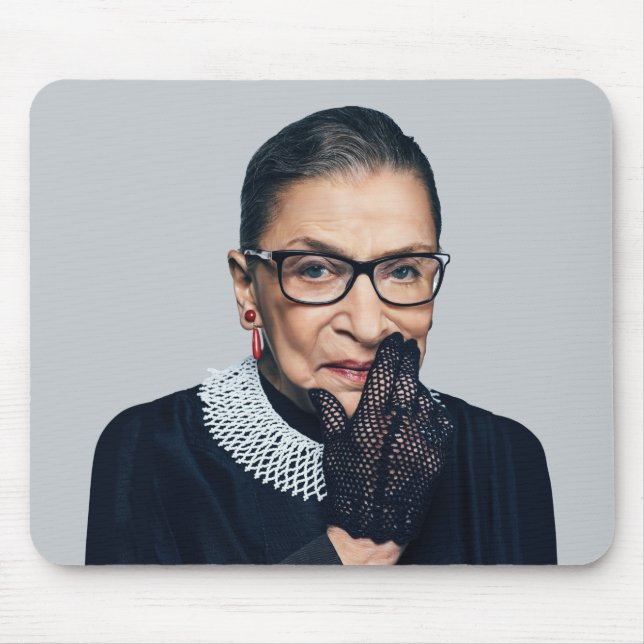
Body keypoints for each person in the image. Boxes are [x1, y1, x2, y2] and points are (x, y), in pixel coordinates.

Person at [85, 106, 557, 565]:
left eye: (403, 270)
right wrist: (359, 548)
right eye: (315, 270)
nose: (368, 327)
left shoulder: (506, 458)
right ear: (247, 287)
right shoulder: (147, 450)